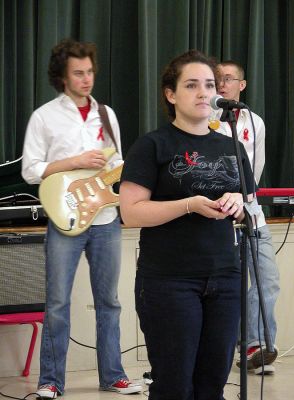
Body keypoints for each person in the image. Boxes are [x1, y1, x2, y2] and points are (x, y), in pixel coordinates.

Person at [119, 50, 255, 400]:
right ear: (170, 93)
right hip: (169, 280)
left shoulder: (232, 147)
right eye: (191, 85)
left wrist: (239, 202)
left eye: (209, 85)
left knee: (213, 383)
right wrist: (189, 205)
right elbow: (131, 212)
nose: (203, 93)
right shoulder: (152, 145)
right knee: (175, 386)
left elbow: (246, 204)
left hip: (225, 277)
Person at [21, 38, 142, 398]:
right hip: (64, 221)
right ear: (62, 76)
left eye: (90, 71)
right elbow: (30, 170)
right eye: (78, 73)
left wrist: (125, 169)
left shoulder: (108, 114)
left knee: (110, 302)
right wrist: (74, 162)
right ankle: (51, 381)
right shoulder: (44, 116)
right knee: (57, 303)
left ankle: (113, 376)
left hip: (105, 218)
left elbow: (117, 163)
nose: (86, 79)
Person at [213, 60, 280, 374]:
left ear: (242, 84)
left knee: (267, 279)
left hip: (252, 211)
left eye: (228, 78)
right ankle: (230, 349)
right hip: (219, 214)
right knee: (228, 285)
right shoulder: (208, 121)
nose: (222, 84)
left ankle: (257, 346)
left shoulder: (255, 122)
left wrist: (246, 198)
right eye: (217, 79)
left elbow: (257, 167)